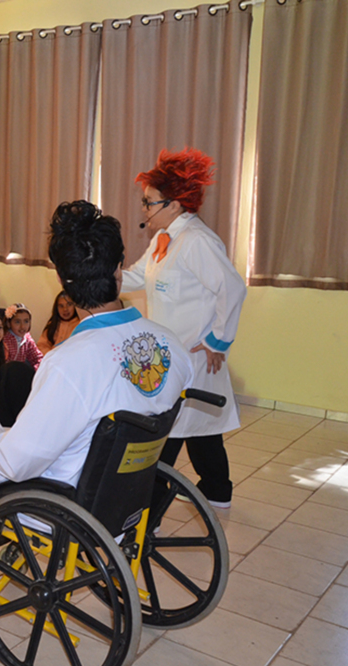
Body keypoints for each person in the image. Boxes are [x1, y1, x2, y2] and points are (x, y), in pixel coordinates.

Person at [0, 200, 195, 519]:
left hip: (57, 496)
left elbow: (14, 462)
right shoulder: (174, 347)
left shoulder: (67, 362)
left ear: (61, 280)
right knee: (15, 374)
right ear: (119, 269)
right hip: (121, 489)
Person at [122, 148, 247, 508]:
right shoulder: (164, 240)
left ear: (174, 205)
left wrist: (216, 342)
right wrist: (98, 280)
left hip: (193, 354)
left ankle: (149, 505)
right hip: (175, 353)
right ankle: (216, 490)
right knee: (197, 427)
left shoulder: (197, 241)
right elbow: (138, 277)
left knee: (171, 428)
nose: (144, 210)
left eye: (149, 202)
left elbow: (233, 289)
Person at [2, 303, 42, 369]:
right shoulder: (4, 339)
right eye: (17, 322)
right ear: (9, 323)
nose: (22, 326)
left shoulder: (27, 339)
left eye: (26, 321)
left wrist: (36, 370)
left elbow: (37, 358)